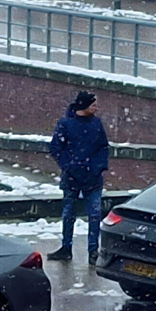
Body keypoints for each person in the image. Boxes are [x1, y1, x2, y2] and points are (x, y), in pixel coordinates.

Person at [48, 91, 110, 266]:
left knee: (90, 214)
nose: (96, 108)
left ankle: (89, 250)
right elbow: (56, 147)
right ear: (85, 106)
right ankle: (71, 248)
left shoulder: (90, 123)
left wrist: (93, 168)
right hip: (78, 176)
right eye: (93, 105)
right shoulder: (68, 124)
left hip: (86, 176)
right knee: (74, 213)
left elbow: (103, 148)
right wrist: (76, 167)